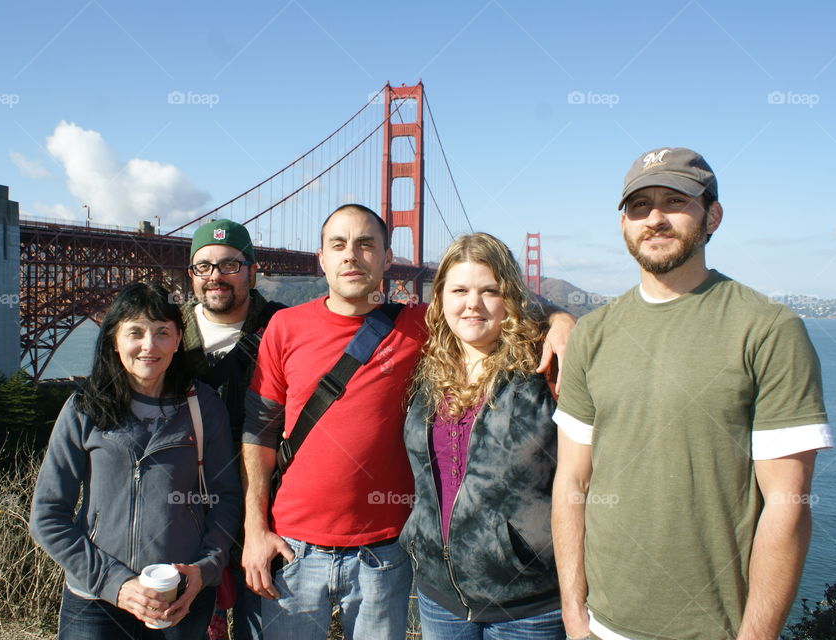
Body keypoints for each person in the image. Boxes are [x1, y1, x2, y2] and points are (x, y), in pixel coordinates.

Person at [241, 204, 575, 640]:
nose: (351, 255)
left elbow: (489, 304)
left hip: (385, 553)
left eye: (366, 244)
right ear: (320, 258)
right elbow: (259, 433)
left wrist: (562, 320)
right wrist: (253, 530)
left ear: (387, 257)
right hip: (295, 550)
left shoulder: (421, 325)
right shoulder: (283, 326)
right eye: (337, 245)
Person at [551, 147, 833, 640]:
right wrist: (575, 618)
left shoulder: (768, 329)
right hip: (600, 626)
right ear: (623, 224)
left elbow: (787, 504)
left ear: (713, 216)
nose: (654, 218)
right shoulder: (592, 334)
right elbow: (572, 482)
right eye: (638, 206)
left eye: (674, 200)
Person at [30, 282, 242, 639]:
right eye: (136, 332)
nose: (149, 345)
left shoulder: (203, 407)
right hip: (94, 600)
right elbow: (47, 516)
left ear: (178, 341)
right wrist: (115, 583)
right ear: (114, 339)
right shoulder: (84, 409)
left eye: (162, 332)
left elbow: (226, 499)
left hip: (178, 596)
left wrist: (204, 570)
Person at [401, 232, 564, 639]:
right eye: (459, 290)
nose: (472, 303)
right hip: (441, 597)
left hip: (530, 602)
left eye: (489, 290)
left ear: (509, 298)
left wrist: (563, 318)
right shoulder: (427, 372)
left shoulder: (544, 369)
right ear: (440, 300)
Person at [181, 219, 284, 639]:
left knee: (258, 626)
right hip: (182, 511)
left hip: (265, 509)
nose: (215, 277)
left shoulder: (284, 328)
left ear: (253, 270)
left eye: (230, 265)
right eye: (203, 266)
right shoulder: (166, 333)